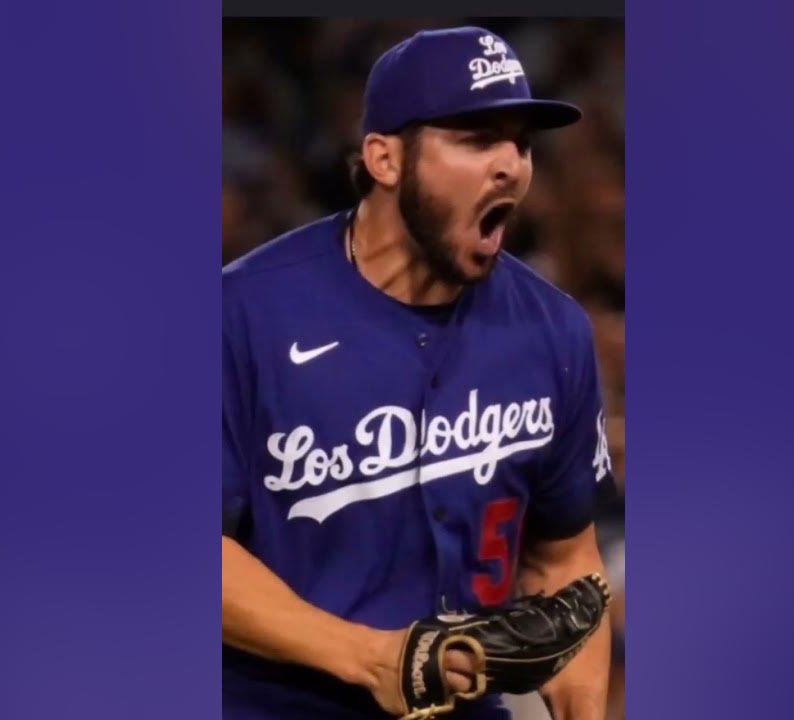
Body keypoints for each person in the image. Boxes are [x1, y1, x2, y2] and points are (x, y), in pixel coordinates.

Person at [222, 26, 614, 720]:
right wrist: (370, 656)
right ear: (384, 158)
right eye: (476, 138)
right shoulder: (244, 315)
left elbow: (565, 566)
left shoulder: (552, 330)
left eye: (520, 141)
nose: (513, 166)